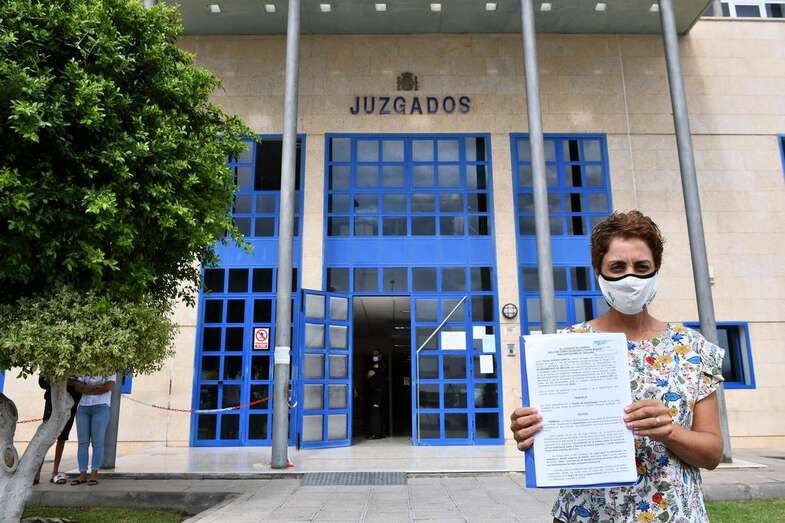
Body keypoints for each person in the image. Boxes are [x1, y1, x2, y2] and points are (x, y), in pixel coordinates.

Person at [509, 211, 724, 522]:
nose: (630, 278)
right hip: (588, 514)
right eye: (617, 267)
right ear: (599, 271)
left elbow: (712, 452)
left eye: (641, 267)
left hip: (674, 513)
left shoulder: (692, 347)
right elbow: (548, 432)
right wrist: (530, 432)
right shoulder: (566, 345)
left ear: (656, 270)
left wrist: (670, 432)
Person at [34, 376, 82, 485]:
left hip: (70, 403)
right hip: (52, 402)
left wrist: (73, 383)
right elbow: (42, 382)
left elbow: (82, 384)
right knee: (45, 437)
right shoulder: (52, 363)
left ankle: (55, 472)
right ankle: (37, 472)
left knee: (62, 437)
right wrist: (56, 380)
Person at [70, 374, 116, 486]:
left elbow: (108, 386)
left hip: (101, 406)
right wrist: (97, 388)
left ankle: (94, 473)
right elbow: (77, 386)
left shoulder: (110, 365)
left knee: (98, 442)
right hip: (83, 407)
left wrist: (87, 389)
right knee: (82, 443)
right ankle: (82, 473)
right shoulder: (85, 364)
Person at [366, 349, 388, 439]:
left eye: (376, 354)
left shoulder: (380, 365)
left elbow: (369, 374)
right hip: (374, 392)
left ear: (380, 355)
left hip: (378, 393)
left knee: (376, 413)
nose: (374, 356)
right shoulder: (373, 364)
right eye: (373, 354)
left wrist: (370, 374)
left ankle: (377, 434)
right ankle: (378, 433)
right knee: (375, 413)